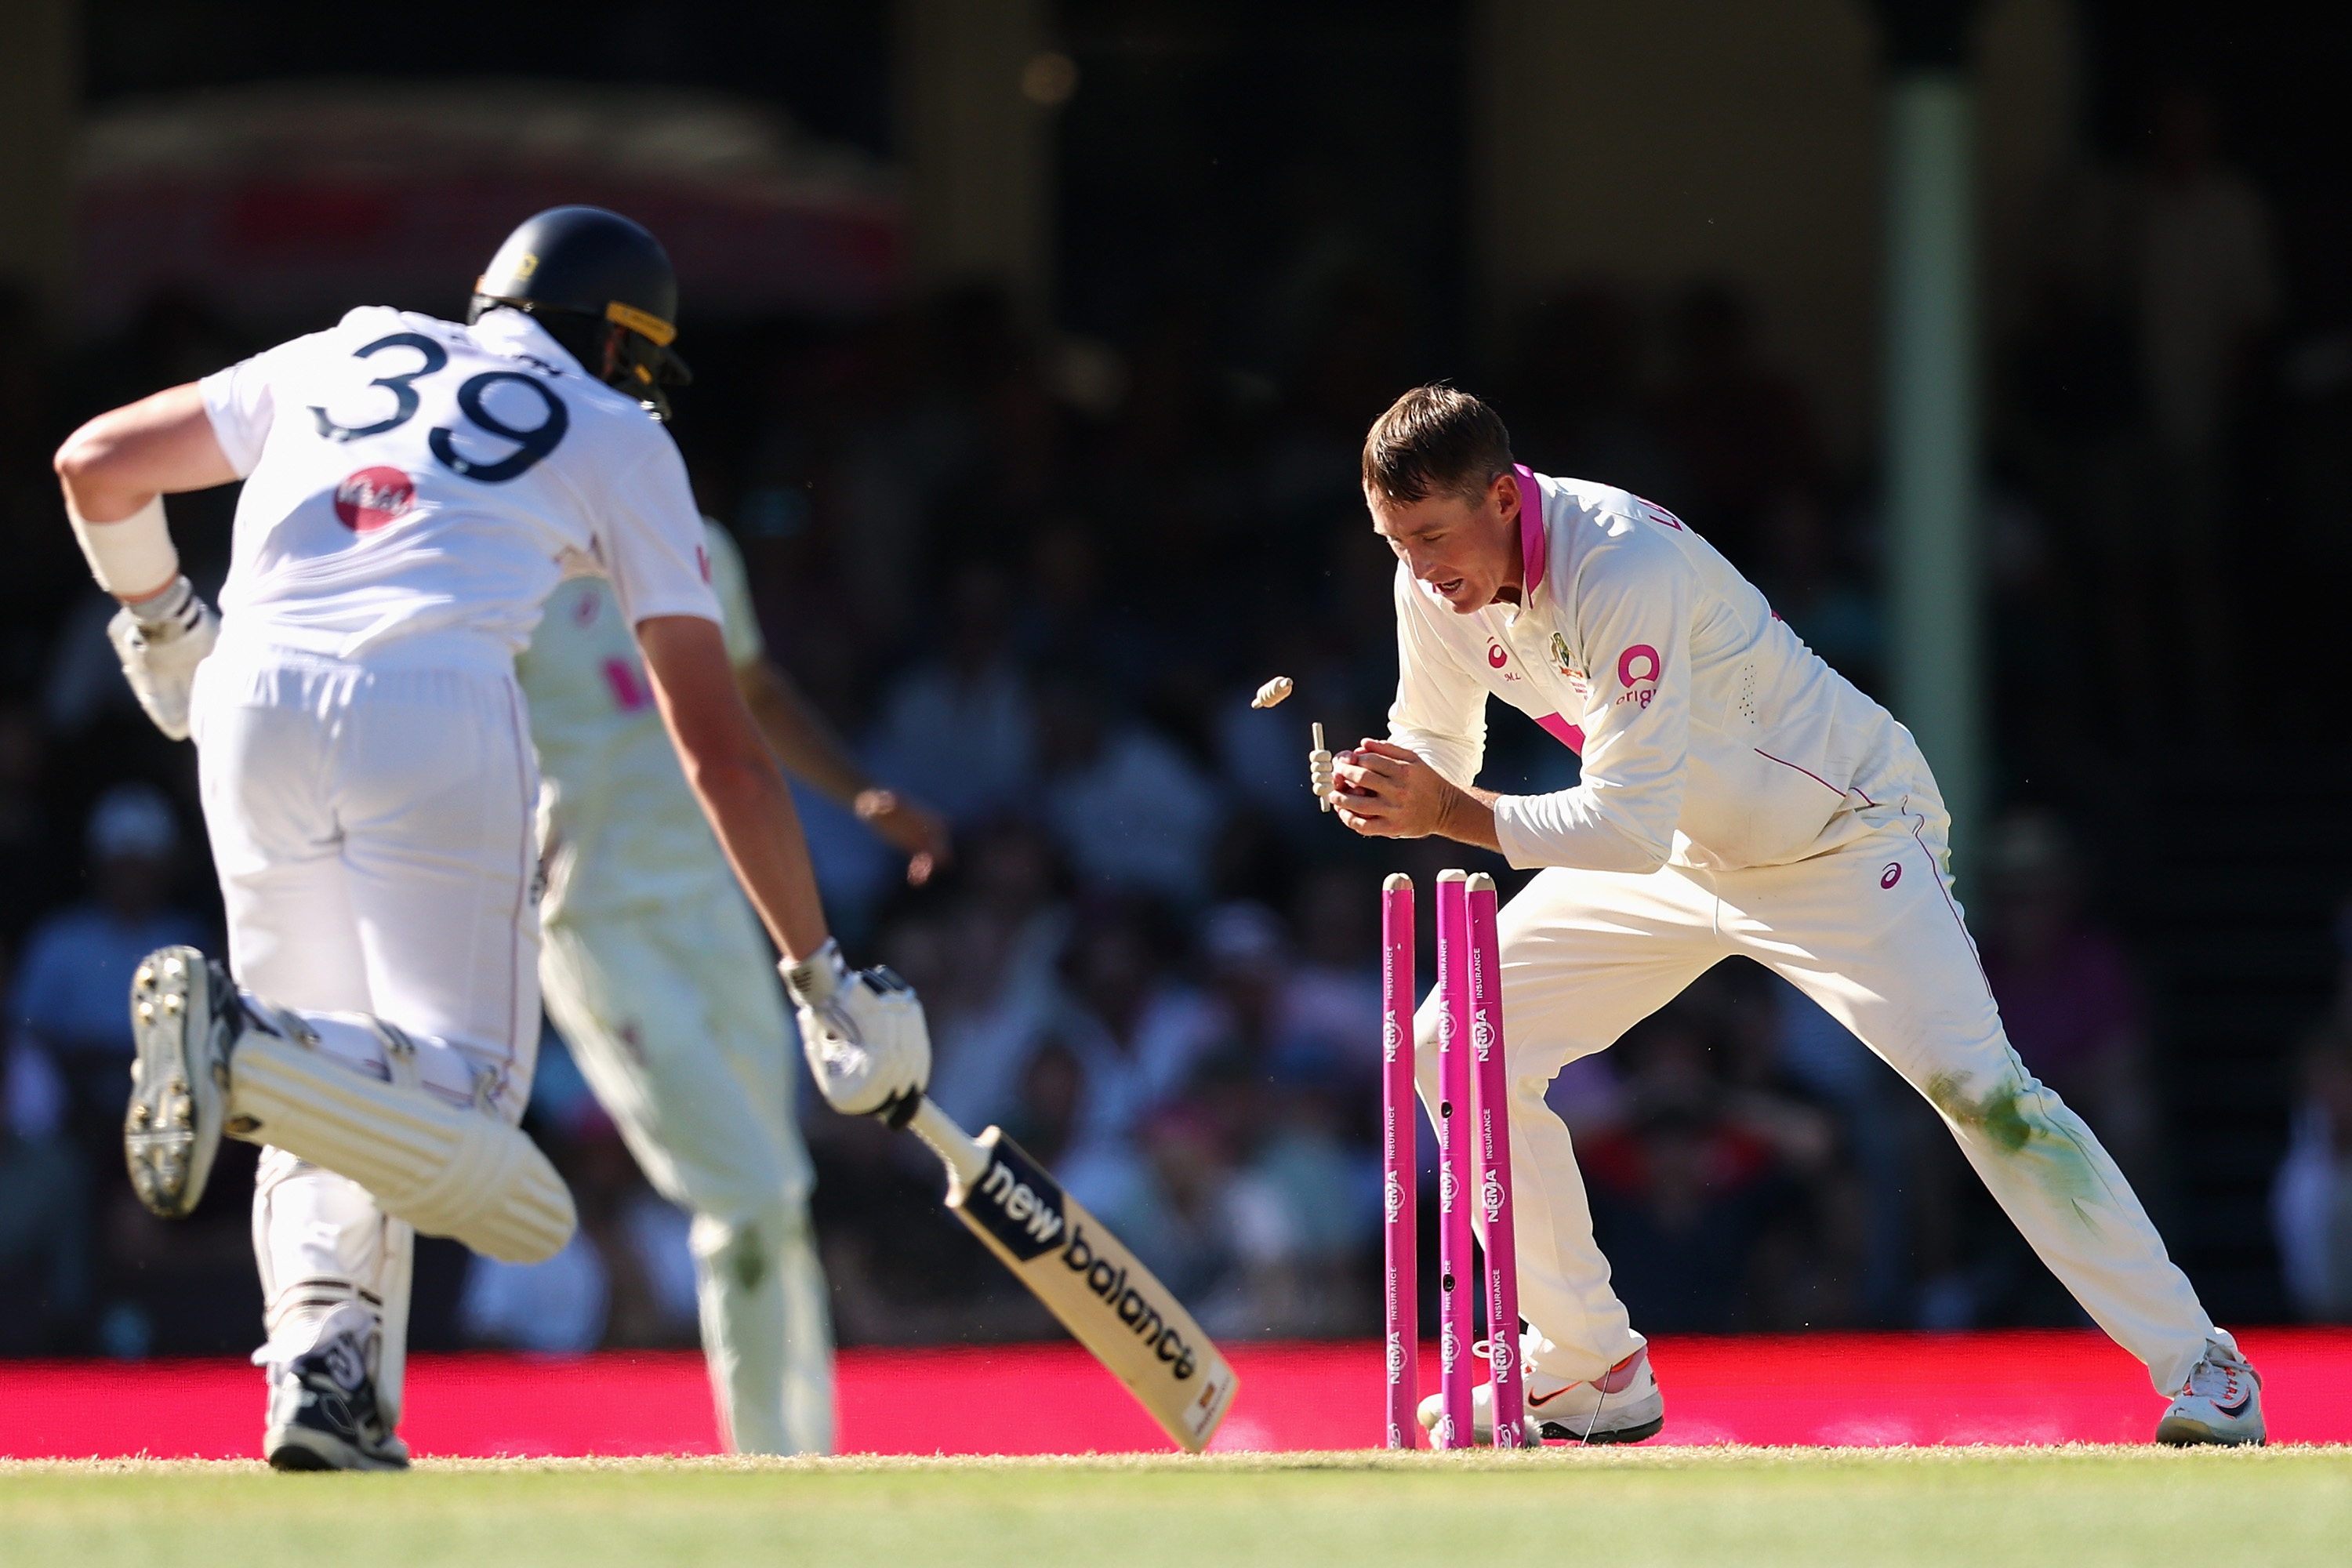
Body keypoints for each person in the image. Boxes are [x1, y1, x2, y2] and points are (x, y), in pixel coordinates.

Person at [52, 206, 932, 1471]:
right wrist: (818, 970)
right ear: (622, 343)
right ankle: (244, 1054)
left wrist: (161, 620)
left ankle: (326, 1380)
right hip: (437, 704)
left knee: (339, 1089)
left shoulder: (345, 347)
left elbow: (95, 464)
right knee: (456, 1105)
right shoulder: (619, 432)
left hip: (248, 696)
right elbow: (723, 749)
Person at [1322, 383, 2263, 1446]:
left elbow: (1612, 824)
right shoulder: (1431, 581)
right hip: (1676, 852)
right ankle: (1589, 1367)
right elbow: (1444, 752)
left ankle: (2206, 1367)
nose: (1419, 570)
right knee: (1455, 1045)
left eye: (1434, 537)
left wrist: (1446, 811)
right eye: (1395, 542)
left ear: (1502, 496)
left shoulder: (1618, 558)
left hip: (1842, 840)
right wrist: (1397, 786)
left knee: (1986, 1098)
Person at [518, 514, 947, 1454]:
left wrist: (860, 792)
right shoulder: (501, 548)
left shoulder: (697, 542)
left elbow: (749, 691)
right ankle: (768, 1468)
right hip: (595, 924)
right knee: (744, 1193)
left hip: (718, 907)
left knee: (779, 1192)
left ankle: (802, 1460)